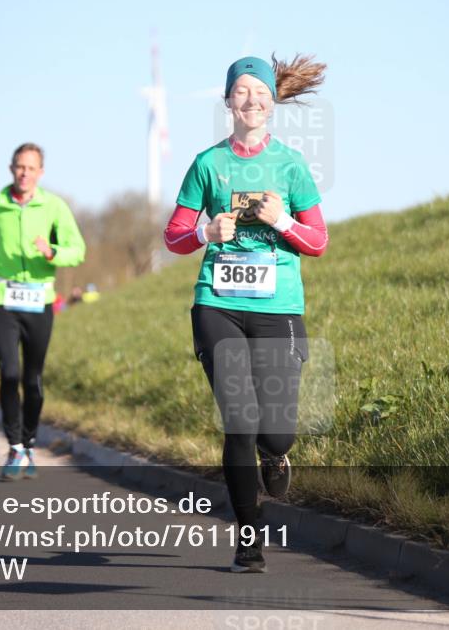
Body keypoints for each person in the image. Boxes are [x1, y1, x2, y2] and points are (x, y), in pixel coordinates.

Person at [164, 55, 329, 573]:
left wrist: (281, 221)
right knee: (239, 422)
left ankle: (276, 455)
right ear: (228, 100)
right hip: (218, 304)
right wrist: (204, 234)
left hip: (277, 307)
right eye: (241, 91)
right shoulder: (207, 164)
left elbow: (319, 241)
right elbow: (173, 235)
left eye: (260, 92)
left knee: (274, 432)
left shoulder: (292, 165)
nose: (251, 100)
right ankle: (248, 539)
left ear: (272, 103)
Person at [0, 143, 86, 480]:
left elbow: (77, 250)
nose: (24, 173)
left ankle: (29, 442)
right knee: (9, 373)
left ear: (41, 172)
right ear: (11, 168)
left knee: (32, 379)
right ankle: (15, 446)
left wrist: (52, 253)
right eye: (19, 166)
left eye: (31, 168)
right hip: (2, 297)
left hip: (39, 300)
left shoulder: (54, 206)